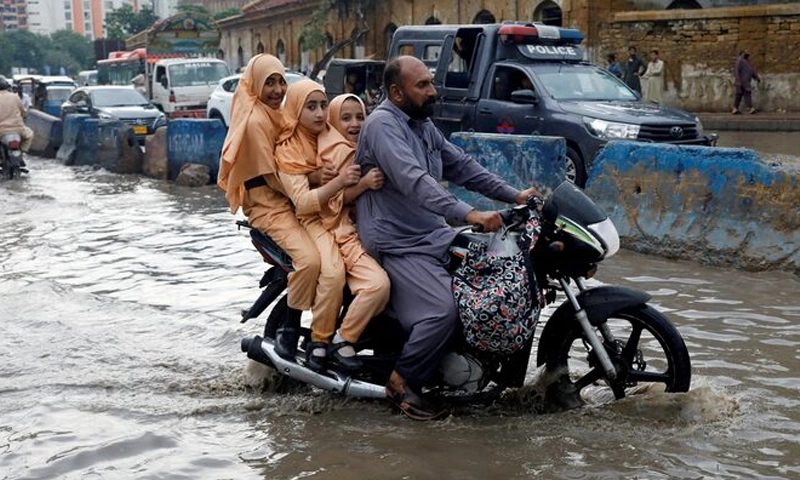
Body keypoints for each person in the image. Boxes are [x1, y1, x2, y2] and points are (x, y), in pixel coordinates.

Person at [354, 56, 541, 420]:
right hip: (398, 241)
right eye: (422, 85)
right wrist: (470, 214)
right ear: (396, 92)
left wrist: (514, 195)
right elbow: (414, 180)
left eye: (431, 82)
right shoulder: (382, 125)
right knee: (444, 310)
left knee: (485, 285)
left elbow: (463, 166)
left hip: (432, 232)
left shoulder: (422, 125)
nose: (433, 91)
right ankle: (402, 381)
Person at [275, 82, 390, 373]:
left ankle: (344, 337)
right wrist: (342, 182)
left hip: (347, 227)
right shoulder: (298, 149)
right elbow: (306, 203)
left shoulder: (342, 145)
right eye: (310, 107)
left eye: (323, 106)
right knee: (331, 272)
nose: (319, 114)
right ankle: (319, 341)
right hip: (316, 221)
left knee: (380, 284)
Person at [217, 54, 322, 362]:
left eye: (280, 82)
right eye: (269, 83)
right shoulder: (254, 120)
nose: (277, 90)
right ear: (254, 85)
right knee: (311, 261)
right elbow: (275, 177)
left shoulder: (277, 114)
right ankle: (291, 331)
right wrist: (314, 179)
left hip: (292, 198)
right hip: (269, 205)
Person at [0, 77, 34, 159]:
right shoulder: (15, 97)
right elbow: (23, 112)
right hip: (18, 129)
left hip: (1, 131)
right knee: (30, 134)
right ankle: (23, 153)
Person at [732, 50, 760, 115]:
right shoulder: (739, 61)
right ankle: (750, 108)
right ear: (742, 54)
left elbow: (752, 71)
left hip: (746, 81)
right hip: (742, 81)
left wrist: (756, 77)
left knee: (739, 95)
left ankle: (735, 108)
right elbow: (736, 71)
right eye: (745, 53)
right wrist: (738, 81)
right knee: (746, 93)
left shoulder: (747, 62)